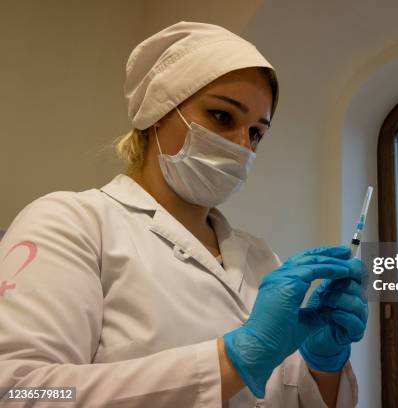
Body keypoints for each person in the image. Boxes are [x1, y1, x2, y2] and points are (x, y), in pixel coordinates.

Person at [0, 22, 368, 407]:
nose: (243, 146)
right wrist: (231, 362)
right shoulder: (71, 224)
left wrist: (323, 364)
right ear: (158, 111)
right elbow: (21, 392)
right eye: (222, 117)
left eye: (257, 132)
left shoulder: (259, 258)